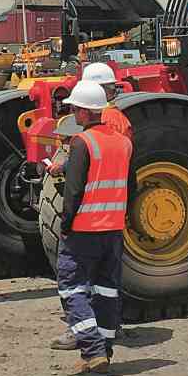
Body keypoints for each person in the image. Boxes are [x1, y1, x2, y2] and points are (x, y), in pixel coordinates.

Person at [49, 63, 133, 352]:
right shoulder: (122, 134)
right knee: (107, 285)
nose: (72, 113)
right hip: (113, 225)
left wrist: (65, 223)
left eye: (74, 109)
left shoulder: (86, 139)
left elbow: (75, 186)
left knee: (73, 285)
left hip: (86, 225)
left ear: (84, 109)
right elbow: (128, 180)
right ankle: (107, 341)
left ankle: (87, 339)